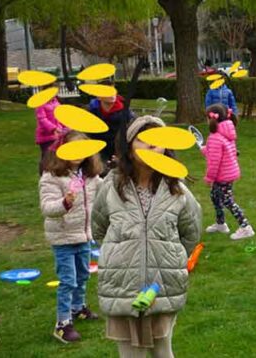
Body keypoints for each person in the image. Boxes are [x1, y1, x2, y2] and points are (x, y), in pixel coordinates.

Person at [91, 115, 202, 358]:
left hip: (161, 284)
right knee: (131, 354)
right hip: (122, 284)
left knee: (163, 351)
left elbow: (190, 233)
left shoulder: (177, 189)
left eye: (158, 140)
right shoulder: (111, 187)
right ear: (129, 149)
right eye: (143, 140)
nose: (152, 145)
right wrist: (122, 252)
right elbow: (98, 228)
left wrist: (167, 255)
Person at [39, 131, 103, 344]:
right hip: (63, 238)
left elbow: (106, 191)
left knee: (83, 275)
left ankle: (78, 308)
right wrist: (65, 203)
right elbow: (47, 208)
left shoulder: (90, 176)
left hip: (84, 236)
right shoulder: (52, 177)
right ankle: (62, 324)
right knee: (68, 280)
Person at [201, 104, 254, 240]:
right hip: (229, 173)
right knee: (215, 196)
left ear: (211, 119)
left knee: (228, 201)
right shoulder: (226, 133)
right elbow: (222, 152)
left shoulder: (214, 137)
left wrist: (209, 178)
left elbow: (214, 162)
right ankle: (220, 223)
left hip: (222, 176)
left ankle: (245, 227)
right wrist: (206, 150)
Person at [88, 91, 134, 172]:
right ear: (99, 97)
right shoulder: (91, 111)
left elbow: (131, 132)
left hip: (118, 150)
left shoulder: (126, 112)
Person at [35, 95, 66, 175]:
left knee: (56, 157)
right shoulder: (41, 103)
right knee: (46, 157)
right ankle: (44, 175)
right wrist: (53, 128)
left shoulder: (56, 102)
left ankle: (55, 174)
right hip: (46, 136)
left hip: (57, 135)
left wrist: (66, 127)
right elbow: (42, 119)